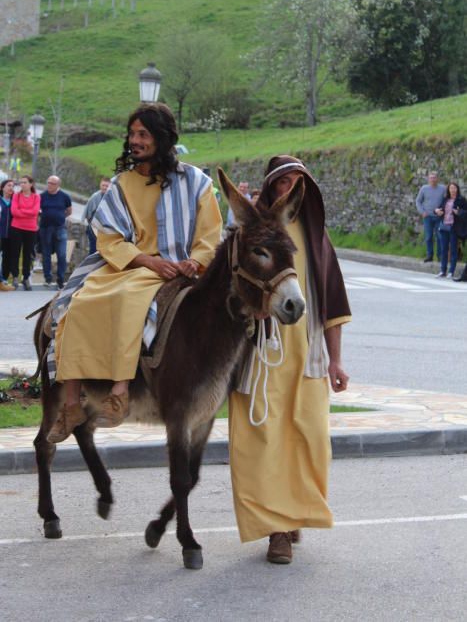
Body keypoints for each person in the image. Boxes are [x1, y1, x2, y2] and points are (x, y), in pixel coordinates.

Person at [46, 103, 223, 443]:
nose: (135, 140)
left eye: (143, 134)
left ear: (161, 138)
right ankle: (71, 403)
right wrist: (147, 261)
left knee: (130, 300)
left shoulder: (195, 182)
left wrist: (194, 261)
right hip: (129, 263)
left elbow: (210, 236)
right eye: (132, 134)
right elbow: (109, 239)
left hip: (174, 267)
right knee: (79, 302)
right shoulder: (121, 184)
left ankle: (120, 391)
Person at [229, 155, 351, 565]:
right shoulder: (249, 233)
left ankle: (295, 510)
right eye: (285, 183)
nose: (292, 190)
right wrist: (252, 306)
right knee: (265, 442)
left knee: (308, 440)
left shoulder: (318, 238)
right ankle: (277, 530)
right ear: (271, 188)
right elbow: (228, 293)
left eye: (300, 183)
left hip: (309, 357)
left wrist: (336, 361)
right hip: (261, 357)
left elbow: (332, 305)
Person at [39, 176, 72, 289]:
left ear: (58, 185)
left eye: (52, 183)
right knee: (46, 255)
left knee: (62, 255)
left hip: (60, 229)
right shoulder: (42, 196)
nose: (49, 185)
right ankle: (48, 279)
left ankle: (60, 279)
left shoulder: (65, 196)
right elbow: (37, 210)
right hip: (45, 228)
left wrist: (60, 217)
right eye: (48, 183)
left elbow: (69, 211)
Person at [10, 175, 41, 290]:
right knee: (15, 253)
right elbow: (14, 211)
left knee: (28, 254)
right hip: (16, 228)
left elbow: (34, 212)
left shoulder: (36, 197)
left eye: (24, 182)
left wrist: (21, 211)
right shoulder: (16, 196)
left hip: (30, 229)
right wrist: (26, 213)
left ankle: (26, 278)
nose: (22, 184)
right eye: (21, 182)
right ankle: (15, 277)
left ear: (30, 184)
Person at [435, 182, 467, 279]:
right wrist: (436, 211)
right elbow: (438, 209)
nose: (453, 190)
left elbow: (465, 212)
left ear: (457, 189)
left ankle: (451, 271)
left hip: (454, 227)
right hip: (443, 226)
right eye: (451, 188)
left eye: (454, 188)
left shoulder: (461, 200)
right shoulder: (445, 199)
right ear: (448, 190)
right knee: (443, 249)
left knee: (453, 250)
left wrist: (459, 212)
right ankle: (442, 271)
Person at [416, 171, 445, 262]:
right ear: (428, 179)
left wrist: (442, 210)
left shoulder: (443, 188)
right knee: (428, 237)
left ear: (437, 179)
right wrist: (422, 212)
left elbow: (446, 201)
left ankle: (440, 256)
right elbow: (418, 201)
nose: (433, 179)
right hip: (427, 216)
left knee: (439, 236)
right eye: (431, 178)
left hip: (439, 217)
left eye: (434, 177)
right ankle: (429, 256)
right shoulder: (424, 189)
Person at [81, 177, 111, 254]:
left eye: (106, 186)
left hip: (106, 230)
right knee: (93, 250)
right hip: (94, 228)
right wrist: (93, 226)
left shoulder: (112, 198)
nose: (104, 187)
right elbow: (88, 213)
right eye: (103, 185)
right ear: (100, 185)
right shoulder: (95, 196)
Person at [0, 179, 15, 291]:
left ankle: (4, 279)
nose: (11, 188)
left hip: (11, 234)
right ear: (2, 188)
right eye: (8, 185)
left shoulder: (15, 201)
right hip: (0, 233)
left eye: (12, 186)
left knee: (8, 257)